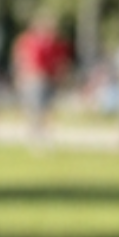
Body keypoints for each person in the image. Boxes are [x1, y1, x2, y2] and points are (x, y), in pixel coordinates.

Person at [11, 12, 73, 148]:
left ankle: (45, 136)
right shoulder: (29, 40)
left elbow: (62, 61)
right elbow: (22, 60)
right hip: (34, 78)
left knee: (47, 109)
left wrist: (60, 75)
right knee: (35, 108)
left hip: (49, 78)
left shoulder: (55, 42)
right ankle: (34, 135)